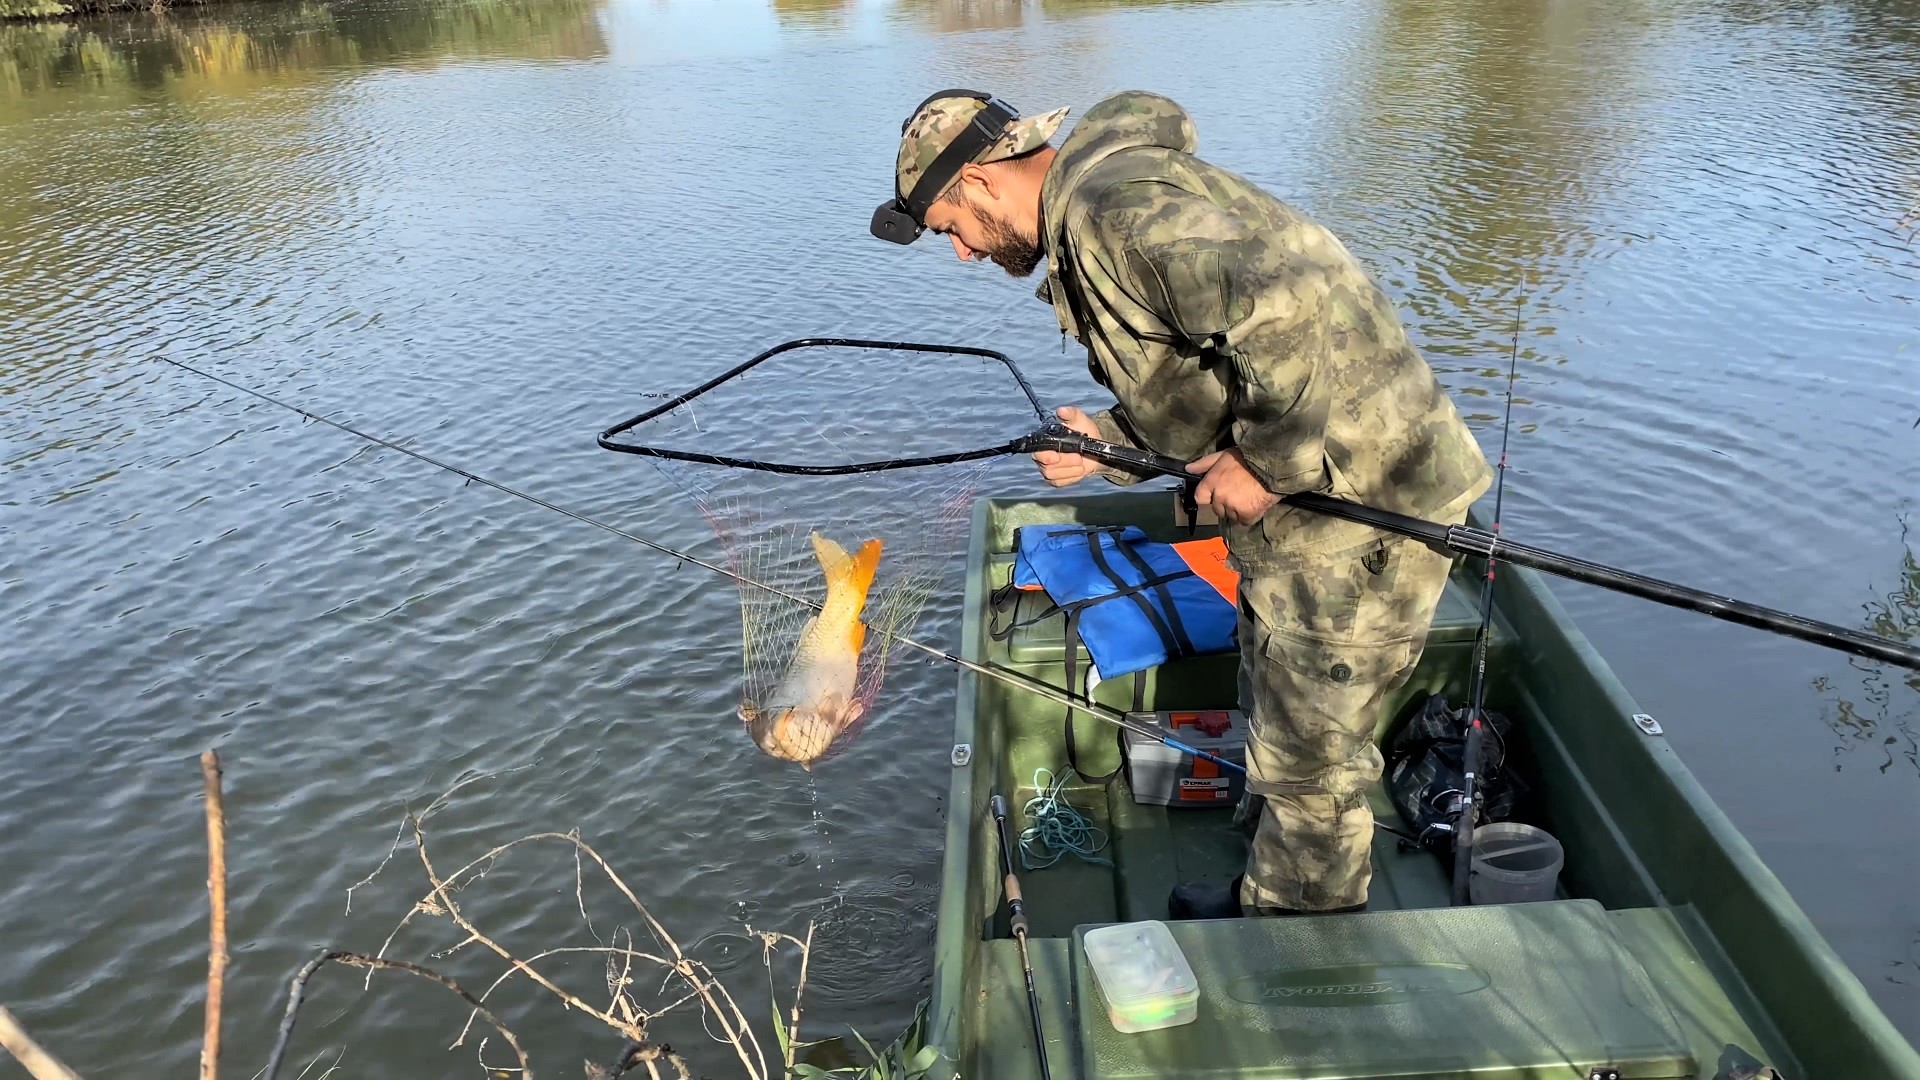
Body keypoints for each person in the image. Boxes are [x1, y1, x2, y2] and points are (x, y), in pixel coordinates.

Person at [871, 89, 1492, 916]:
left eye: (951, 227)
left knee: (1312, 761)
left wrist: (1267, 467)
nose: (962, 253)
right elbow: (1203, 373)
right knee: (1276, 695)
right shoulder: (1104, 207)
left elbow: (1287, 310)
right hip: (1321, 491)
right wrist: (1104, 443)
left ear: (982, 181)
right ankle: (1267, 877)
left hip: (1360, 500)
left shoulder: (1114, 214)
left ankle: (1298, 951)